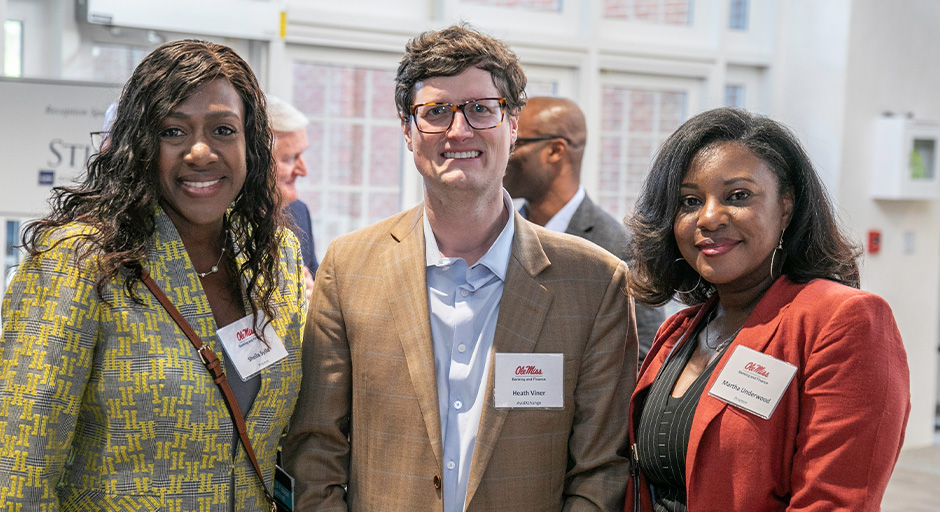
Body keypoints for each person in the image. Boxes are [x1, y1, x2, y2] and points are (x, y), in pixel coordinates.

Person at [284, 24, 638, 512]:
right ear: (408, 131)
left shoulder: (595, 283)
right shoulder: (349, 269)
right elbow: (317, 446)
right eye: (435, 112)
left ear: (512, 124)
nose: (458, 130)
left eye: (480, 109)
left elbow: (600, 470)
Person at [0, 40, 306, 511]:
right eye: (173, 131)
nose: (201, 151)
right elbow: (18, 467)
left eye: (224, 129)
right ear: (139, 144)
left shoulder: (274, 258)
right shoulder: (80, 260)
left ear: (251, 143)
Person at [624, 107, 910, 511]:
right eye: (689, 201)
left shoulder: (843, 321)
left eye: (737, 196)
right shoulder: (679, 330)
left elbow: (835, 500)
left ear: (786, 209)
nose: (707, 217)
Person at [504, 96, 664, 364]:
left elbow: (644, 356)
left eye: (514, 143)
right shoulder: (501, 231)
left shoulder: (615, 249)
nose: (501, 152)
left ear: (555, 151)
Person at [267, 94, 318, 302]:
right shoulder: (217, 224)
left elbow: (318, 291)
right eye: (290, 158)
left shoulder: (299, 212)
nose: (303, 170)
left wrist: (312, 297)